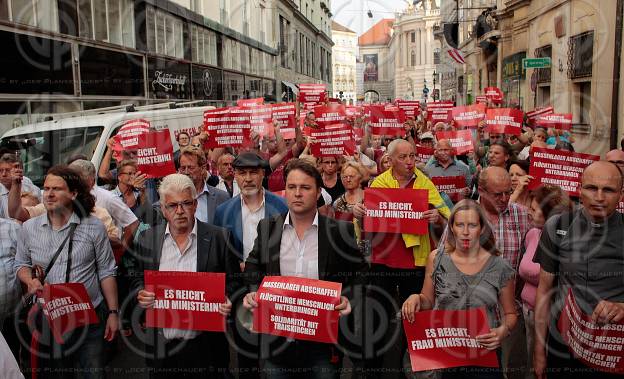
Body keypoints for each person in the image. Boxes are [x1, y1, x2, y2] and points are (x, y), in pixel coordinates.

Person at [242, 159, 367, 378]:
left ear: (318, 192)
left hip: (323, 345)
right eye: (292, 187)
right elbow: (253, 264)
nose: (297, 193)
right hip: (276, 341)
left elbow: (360, 274)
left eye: (305, 187)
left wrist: (348, 299)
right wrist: (253, 290)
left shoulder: (340, 231)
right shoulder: (268, 227)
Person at [15, 165, 118, 379]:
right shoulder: (29, 229)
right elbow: (21, 265)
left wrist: (113, 313)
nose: (49, 194)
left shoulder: (94, 227)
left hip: (90, 318)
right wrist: (30, 281)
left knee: (93, 375)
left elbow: (107, 271)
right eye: (46, 188)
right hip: (50, 319)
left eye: (57, 189)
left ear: (73, 193)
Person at [133, 174, 237, 379]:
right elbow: (137, 278)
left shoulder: (219, 237)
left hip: (206, 348)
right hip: (162, 348)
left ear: (195, 205)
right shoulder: (148, 239)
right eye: (172, 205)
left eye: (186, 203)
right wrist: (140, 293)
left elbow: (235, 283)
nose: (180, 211)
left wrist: (228, 298)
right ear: (163, 209)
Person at [402, 199, 517, 379]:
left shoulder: (499, 266)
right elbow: (427, 300)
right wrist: (415, 297)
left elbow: (510, 313)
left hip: (483, 354)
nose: (465, 232)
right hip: (445, 353)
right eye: (459, 225)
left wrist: (503, 330)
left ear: (482, 229)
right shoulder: (437, 258)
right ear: (452, 227)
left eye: (472, 225)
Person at [365, 139, 450, 377]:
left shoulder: (424, 182)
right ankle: (373, 370)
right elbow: (368, 218)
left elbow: (447, 215)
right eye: (404, 157)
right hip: (383, 259)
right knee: (376, 317)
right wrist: (360, 212)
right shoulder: (379, 182)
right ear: (389, 160)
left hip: (416, 261)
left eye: (413, 156)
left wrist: (438, 217)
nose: (410, 162)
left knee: (416, 318)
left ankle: (417, 369)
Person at [533, 161, 624, 379]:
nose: (599, 197)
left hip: (612, 349)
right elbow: (544, 291)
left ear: (621, 195)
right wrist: (539, 352)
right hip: (563, 345)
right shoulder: (556, 226)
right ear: (579, 189)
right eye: (592, 188)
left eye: (608, 190)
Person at [213, 152, 288, 379]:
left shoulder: (282, 206)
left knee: (279, 351)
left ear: (263, 174)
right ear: (234, 175)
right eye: (241, 173)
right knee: (247, 355)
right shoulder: (223, 211)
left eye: (253, 172)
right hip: (240, 291)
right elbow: (219, 253)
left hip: (275, 288)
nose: (247, 178)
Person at [518, 185, 572, 379]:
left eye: (534, 209)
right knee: (531, 361)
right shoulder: (532, 234)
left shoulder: (566, 241)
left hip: (553, 319)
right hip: (528, 313)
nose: (529, 213)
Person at [177, 148, 229, 225]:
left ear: (203, 169)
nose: (186, 172)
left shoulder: (222, 197)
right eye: (183, 168)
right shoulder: (173, 197)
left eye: (191, 168)